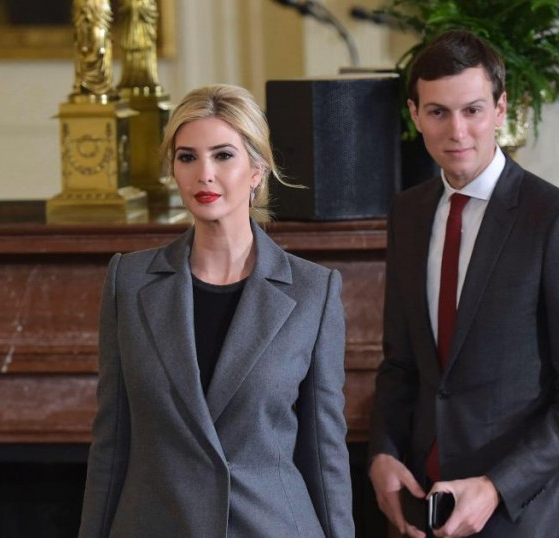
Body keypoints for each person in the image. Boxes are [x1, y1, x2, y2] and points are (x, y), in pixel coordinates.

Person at [368, 31, 559, 537]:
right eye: (438, 112)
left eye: (473, 110)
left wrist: (496, 486)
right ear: (415, 115)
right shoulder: (408, 213)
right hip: (424, 506)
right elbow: (401, 363)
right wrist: (382, 453)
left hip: (522, 514)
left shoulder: (558, 220)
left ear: (501, 109)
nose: (457, 131)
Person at [79, 84, 354, 537]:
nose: (204, 174)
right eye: (187, 157)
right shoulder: (128, 282)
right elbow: (112, 441)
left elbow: (325, 455)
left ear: (257, 170)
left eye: (223, 155)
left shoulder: (313, 292)